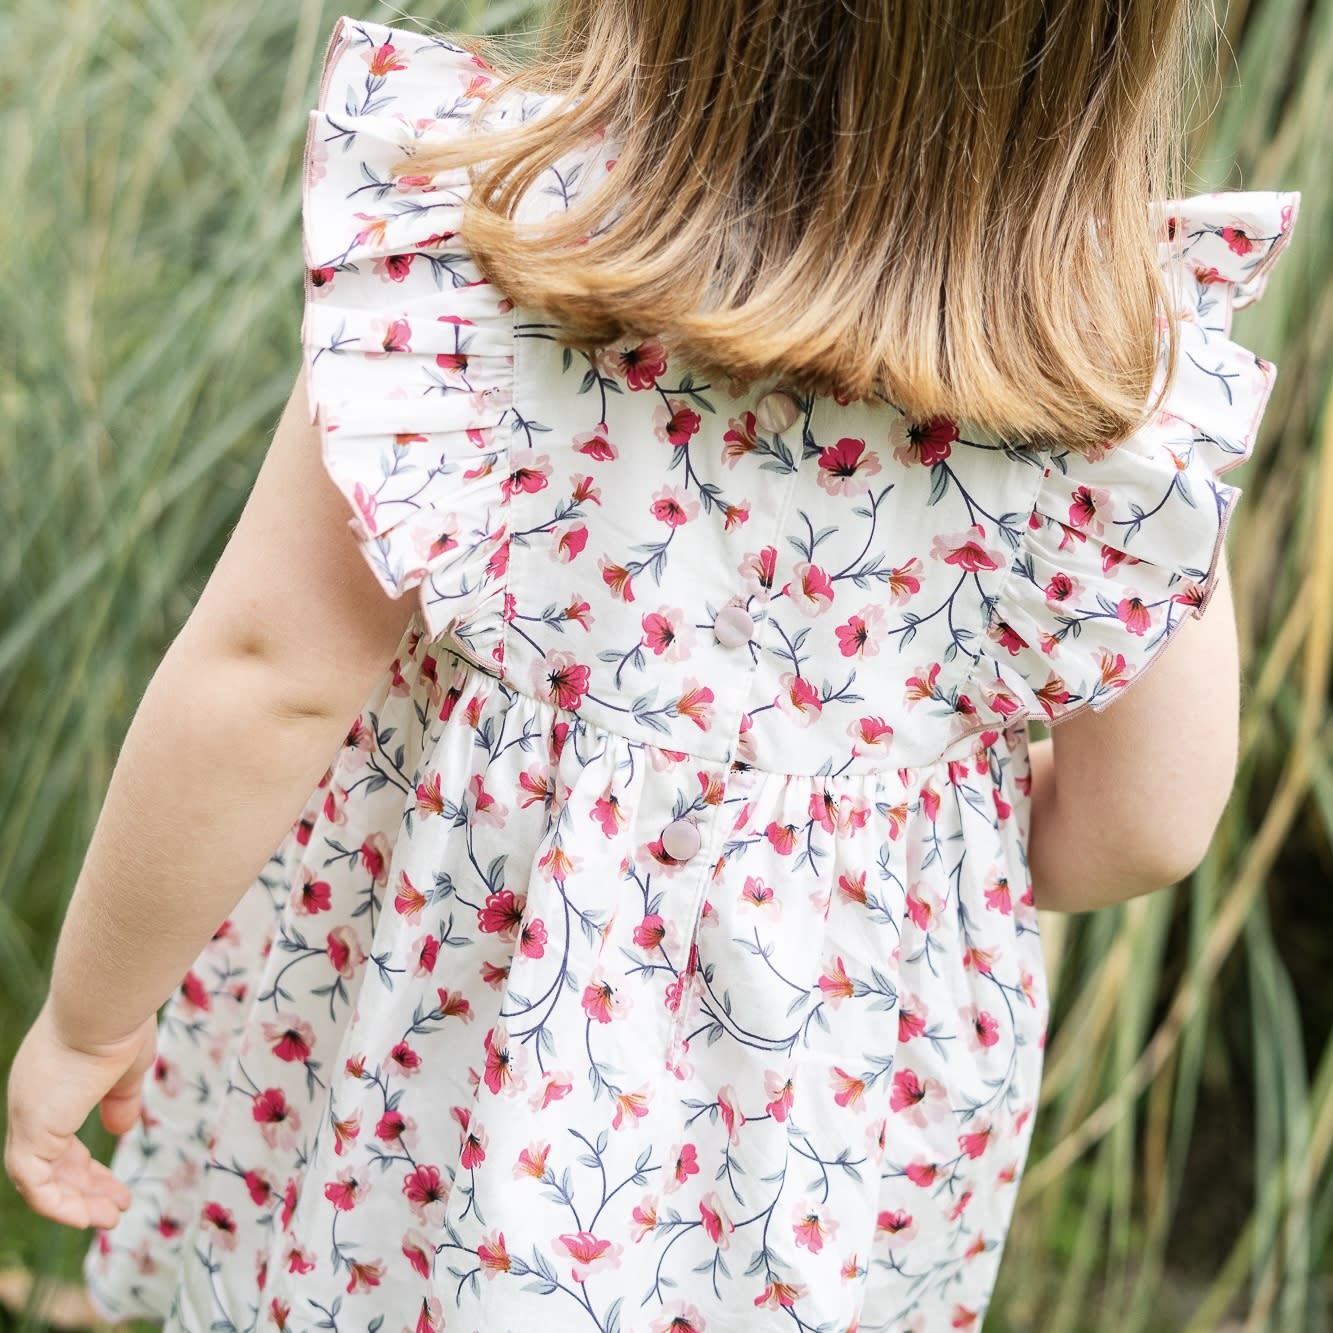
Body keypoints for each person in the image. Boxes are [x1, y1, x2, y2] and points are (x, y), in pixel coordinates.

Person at [3, 4, 1299, 1330]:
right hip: (819, 1135)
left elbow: (270, 673)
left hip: (435, 1069)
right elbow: (1147, 822)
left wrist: (93, 1011)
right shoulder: (1112, 377)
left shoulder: (495, 248)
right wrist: (887, 817)